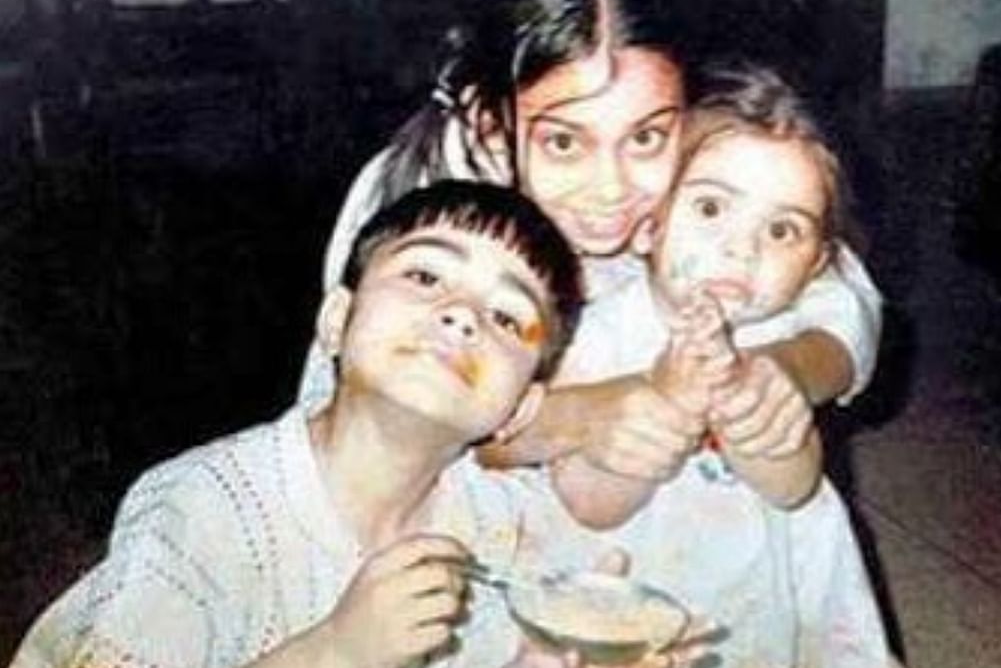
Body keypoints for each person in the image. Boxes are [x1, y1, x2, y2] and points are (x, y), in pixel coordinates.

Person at [9, 181, 611, 668]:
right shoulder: (210, 510)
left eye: (507, 317)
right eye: (425, 277)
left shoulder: (503, 528)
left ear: (519, 410)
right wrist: (333, 653)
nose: (460, 317)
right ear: (336, 321)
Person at [297, 0, 883, 478]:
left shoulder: (688, 129)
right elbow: (390, 430)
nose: (611, 190)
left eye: (648, 137)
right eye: (563, 142)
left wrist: (787, 370)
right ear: (489, 126)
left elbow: (841, 287)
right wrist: (580, 416)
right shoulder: (418, 213)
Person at [540, 60, 893, 666]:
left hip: (771, 589)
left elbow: (793, 487)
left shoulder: (782, 337)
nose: (741, 247)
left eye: (782, 230)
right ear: (648, 228)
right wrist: (667, 402)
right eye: (710, 209)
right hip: (636, 582)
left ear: (815, 267)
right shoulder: (598, 333)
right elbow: (589, 506)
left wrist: (745, 405)